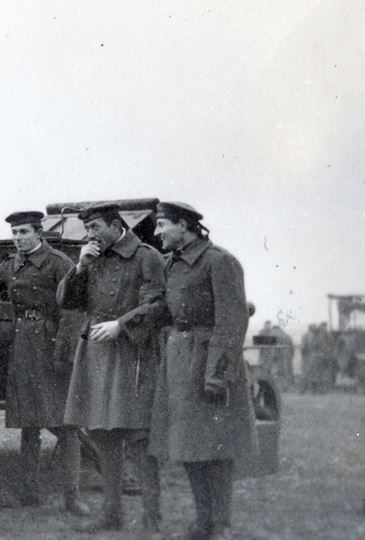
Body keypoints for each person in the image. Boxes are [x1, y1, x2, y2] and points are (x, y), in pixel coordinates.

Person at [149, 202, 258, 540]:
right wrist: (125, 323)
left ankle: (221, 525)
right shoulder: (171, 264)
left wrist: (217, 375)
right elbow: (164, 310)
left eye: (163, 225)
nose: (157, 233)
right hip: (180, 363)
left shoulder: (219, 261)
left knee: (218, 447)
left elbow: (231, 321)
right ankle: (202, 522)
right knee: (190, 447)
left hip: (210, 362)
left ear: (184, 225)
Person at [58, 202, 167, 533]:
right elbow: (67, 301)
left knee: (137, 435)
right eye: (87, 229)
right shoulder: (93, 258)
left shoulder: (146, 256)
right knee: (103, 434)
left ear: (116, 224)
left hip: (132, 352)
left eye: (95, 227)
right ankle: (112, 512)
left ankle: (152, 519)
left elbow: (159, 304)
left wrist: (122, 324)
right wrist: (78, 267)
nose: (90, 235)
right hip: (96, 354)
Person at [0, 211, 89, 514]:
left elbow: (73, 311)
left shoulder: (59, 262)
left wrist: (64, 354)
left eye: (23, 232)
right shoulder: (11, 265)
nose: (18, 238)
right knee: (29, 425)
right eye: (14, 233)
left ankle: (73, 497)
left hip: (52, 346)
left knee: (65, 424)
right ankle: (29, 493)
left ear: (38, 232)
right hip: (22, 348)